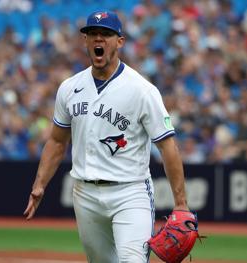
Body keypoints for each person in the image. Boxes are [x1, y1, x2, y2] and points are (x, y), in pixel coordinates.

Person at [23, 10, 189, 263]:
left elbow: (167, 146)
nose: (98, 39)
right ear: (86, 41)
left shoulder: (142, 90)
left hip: (130, 192)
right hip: (85, 193)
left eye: (106, 34)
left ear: (119, 41)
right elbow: (57, 141)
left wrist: (180, 204)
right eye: (93, 34)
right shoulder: (69, 88)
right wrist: (40, 183)